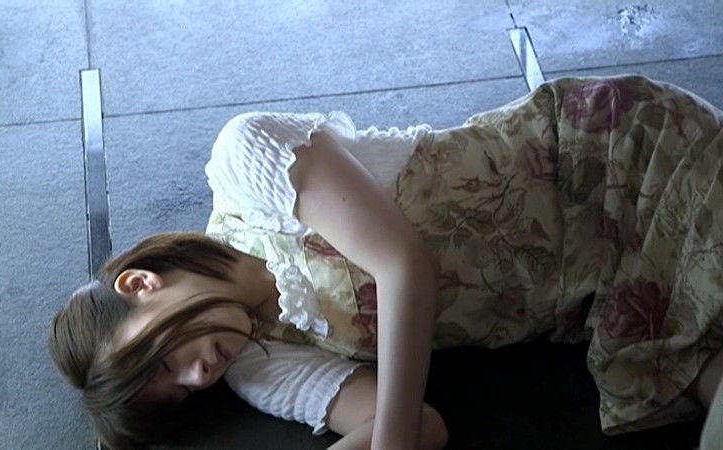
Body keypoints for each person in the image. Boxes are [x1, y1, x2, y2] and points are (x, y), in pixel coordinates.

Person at [49, 74, 723, 450]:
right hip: (598, 287)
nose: (199, 375)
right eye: (184, 391)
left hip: (607, 161)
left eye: (163, 360)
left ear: (140, 283)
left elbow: (404, 266)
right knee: (678, 372)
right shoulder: (258, 368)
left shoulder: (245, 163)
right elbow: (417, 426)